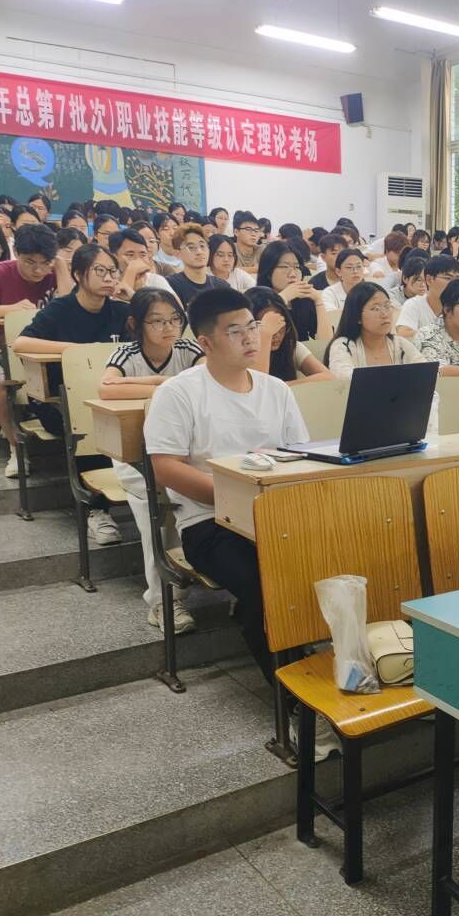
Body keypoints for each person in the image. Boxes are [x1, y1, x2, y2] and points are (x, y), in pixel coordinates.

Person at [145, 287, 308, 687]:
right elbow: (165, 468)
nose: (251, 337)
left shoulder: (276, 390)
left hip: (276, 514)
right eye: (235, 331)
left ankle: (332, 666)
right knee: (265, 581)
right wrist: (237, 500)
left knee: (341, 555)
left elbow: (300, 455)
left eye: (253, 326)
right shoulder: (178, 393)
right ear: (205, 342)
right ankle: (291, 693)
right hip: (210, 523)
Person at [99, 287, 204, 632]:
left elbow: (206, 382)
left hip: (186, 450)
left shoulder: (190, 350)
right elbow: (107, 388)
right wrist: (163, 383)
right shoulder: (126, 353)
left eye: (174, 319)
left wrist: (154, 385)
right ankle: (163, 602)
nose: (168, 327)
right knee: (154, 513)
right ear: (136, 324)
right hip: (133, 455)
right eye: (157, 321)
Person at [14, 242, 130, 543]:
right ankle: (96, 509)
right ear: (78, 274)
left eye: (113, 271)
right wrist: (78, 351)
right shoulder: (60, 309)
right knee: (89, 420)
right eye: (100, 271)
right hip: (57, 401)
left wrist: (135, 298)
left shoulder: (121, 311)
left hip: (110, 396)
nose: (109, 278)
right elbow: (21, 344)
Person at [0, 224, 72, 477]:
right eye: (30, 262)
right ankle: (15, 448)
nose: (38, 270)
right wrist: (8, 310)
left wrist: (61, 267)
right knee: (2, 383)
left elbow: (70, 310)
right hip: (3, 356)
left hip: (51, 355)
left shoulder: (57, 272)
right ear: (16, 253)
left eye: (45, 263)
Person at [324, 280, 428, 380]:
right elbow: (345, 379)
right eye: (375, 308)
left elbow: (426, 371)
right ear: (357, 316)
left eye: (387, 306)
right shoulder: (343, 346)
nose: (385, 314)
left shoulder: (400, 344)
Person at [245, 287, 332, 383]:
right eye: (269, 327)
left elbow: (329, 377)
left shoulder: (291, 347)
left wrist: (283, 387)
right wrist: (265, 335)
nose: (276, 334)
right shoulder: (241, 353)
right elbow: (258, 386)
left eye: (280, 325)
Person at [256, 240, 331, 342]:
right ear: (268, 272)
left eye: (296, 267)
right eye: (284, 266)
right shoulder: (256, 298)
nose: (293, 274)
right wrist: (283, 297)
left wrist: (318, 301)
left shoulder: (304, 300)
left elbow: (325, 343)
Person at [396, 254, 459, 339]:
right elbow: (403, 334)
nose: (454, 284)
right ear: (429, 280)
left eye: (457, 279)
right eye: (448, 278)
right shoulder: (414, 305)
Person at [165, 222, 230, 307]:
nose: (199, 252)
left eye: (202, 246)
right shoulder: (170, 285)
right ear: (178, 254)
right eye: (191, 247)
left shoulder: (222, 286)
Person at [109, 228, 174, 300]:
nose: (138, 260)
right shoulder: (107, 281)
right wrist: (131, 273)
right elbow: (116, 304)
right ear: (113, 258)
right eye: (130, 255)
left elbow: (175, 305)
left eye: (143, 255)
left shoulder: (155, 280)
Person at [320, 247, 367, 315]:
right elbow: (332, 317)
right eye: (349, 267)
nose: (355, 271)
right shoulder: (329, 293)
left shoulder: (373, 291)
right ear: (338, 272)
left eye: (359, 266)